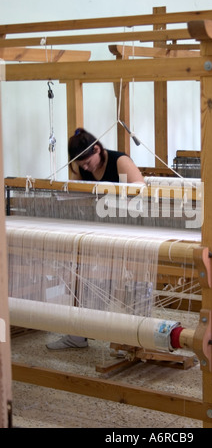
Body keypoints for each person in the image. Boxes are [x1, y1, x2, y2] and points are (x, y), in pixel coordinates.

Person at [46, 128, 145, 350]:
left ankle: (138, 338)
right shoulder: (80, 167)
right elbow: (75, 196)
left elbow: (141, 191)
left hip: (129, 229)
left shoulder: (120, 162)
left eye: (87, 163)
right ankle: (77, 335)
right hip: (99, 230)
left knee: (135, 281)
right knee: (81, 277)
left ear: (98, 150)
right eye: (81, 165)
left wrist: (111, 201)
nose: (85, 168)